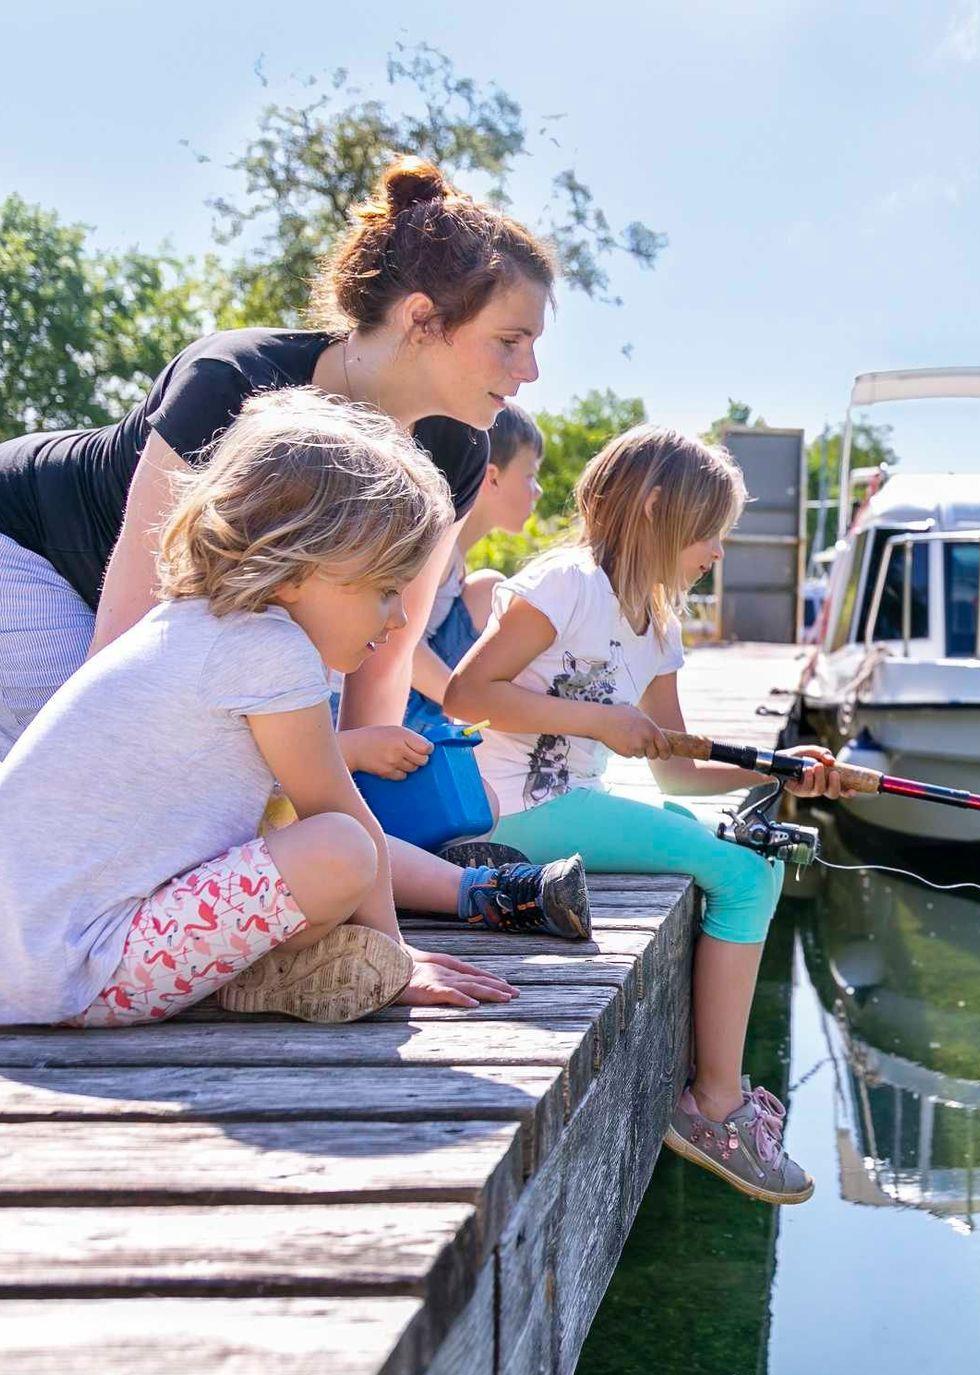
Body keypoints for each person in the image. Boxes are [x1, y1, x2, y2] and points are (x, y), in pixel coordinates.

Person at [0, 391, 527, 1026]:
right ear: (296, 571)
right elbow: (341, 814)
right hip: (81, 969)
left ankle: (257, 972)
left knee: (286, 826)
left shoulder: (194, 625)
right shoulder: (269, 648)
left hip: (33, 954)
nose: (399, 620)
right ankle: (254, 972)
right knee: (340, 848)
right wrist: (399, 957)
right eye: (386, 590)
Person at [0, 154, 549, 757]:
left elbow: (388, 648)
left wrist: (358, 788)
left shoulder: (457, 451)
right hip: (33, 548)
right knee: (106, 744)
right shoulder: (230, 379)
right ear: (422, 319)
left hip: (175, 622)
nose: (530, 371)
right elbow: (125, 646)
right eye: (509, 341)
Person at [446, 426, 861, 1204]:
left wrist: (781, 769)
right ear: (655, 509)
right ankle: (715, 1106)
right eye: (709, 530)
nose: (718, 551)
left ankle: (717, 1095)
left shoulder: (658, 626)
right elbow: (465, 695)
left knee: (741, 852)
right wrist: (598, 721)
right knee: (744, 876)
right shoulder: (569, 583)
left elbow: (676, 769)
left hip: (570, 805)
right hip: (508, 813)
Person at [403, 400, 544, 735]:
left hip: (416, 694)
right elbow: (396, 646)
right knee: (491, 590)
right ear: (492, 478)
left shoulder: (457, 558)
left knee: (488, 591)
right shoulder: (438, 546)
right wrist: (471, 705)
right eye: (530, 476)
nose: (538, 491)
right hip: (386, 700)